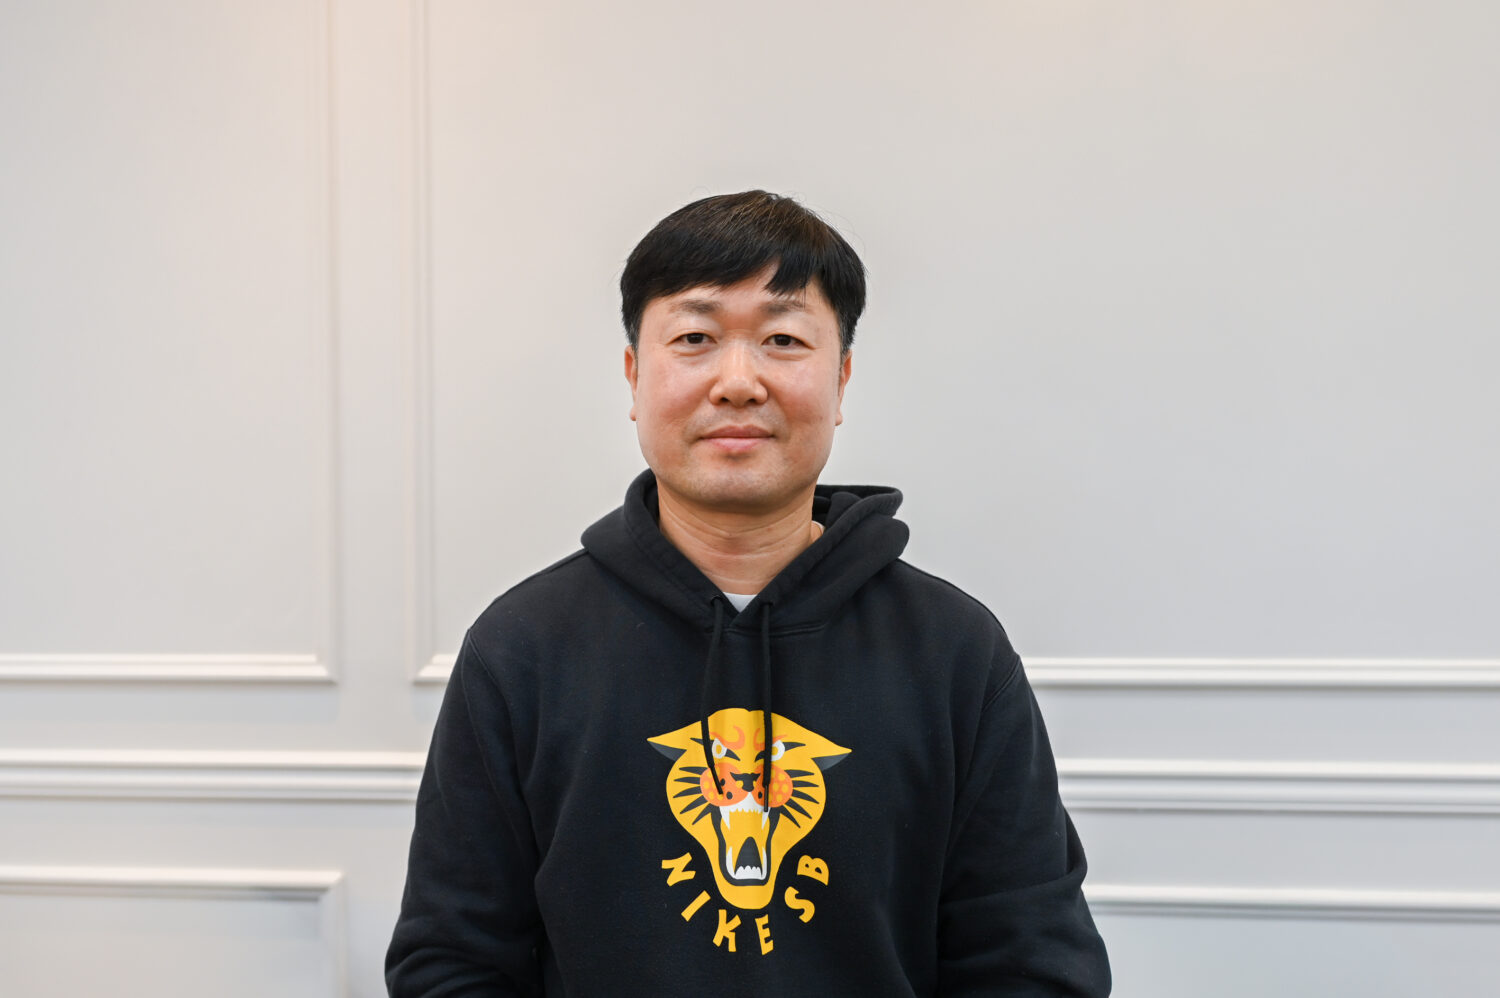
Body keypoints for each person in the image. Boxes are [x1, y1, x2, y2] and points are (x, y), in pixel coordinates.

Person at [386, 190, 1111, 996]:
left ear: (841, 379)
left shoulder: (955, 652)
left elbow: (1031, 964)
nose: (738, 382)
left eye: (782, 340)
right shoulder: (521, 649)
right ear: (634, 376)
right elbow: (451, 963)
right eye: (694, 338)